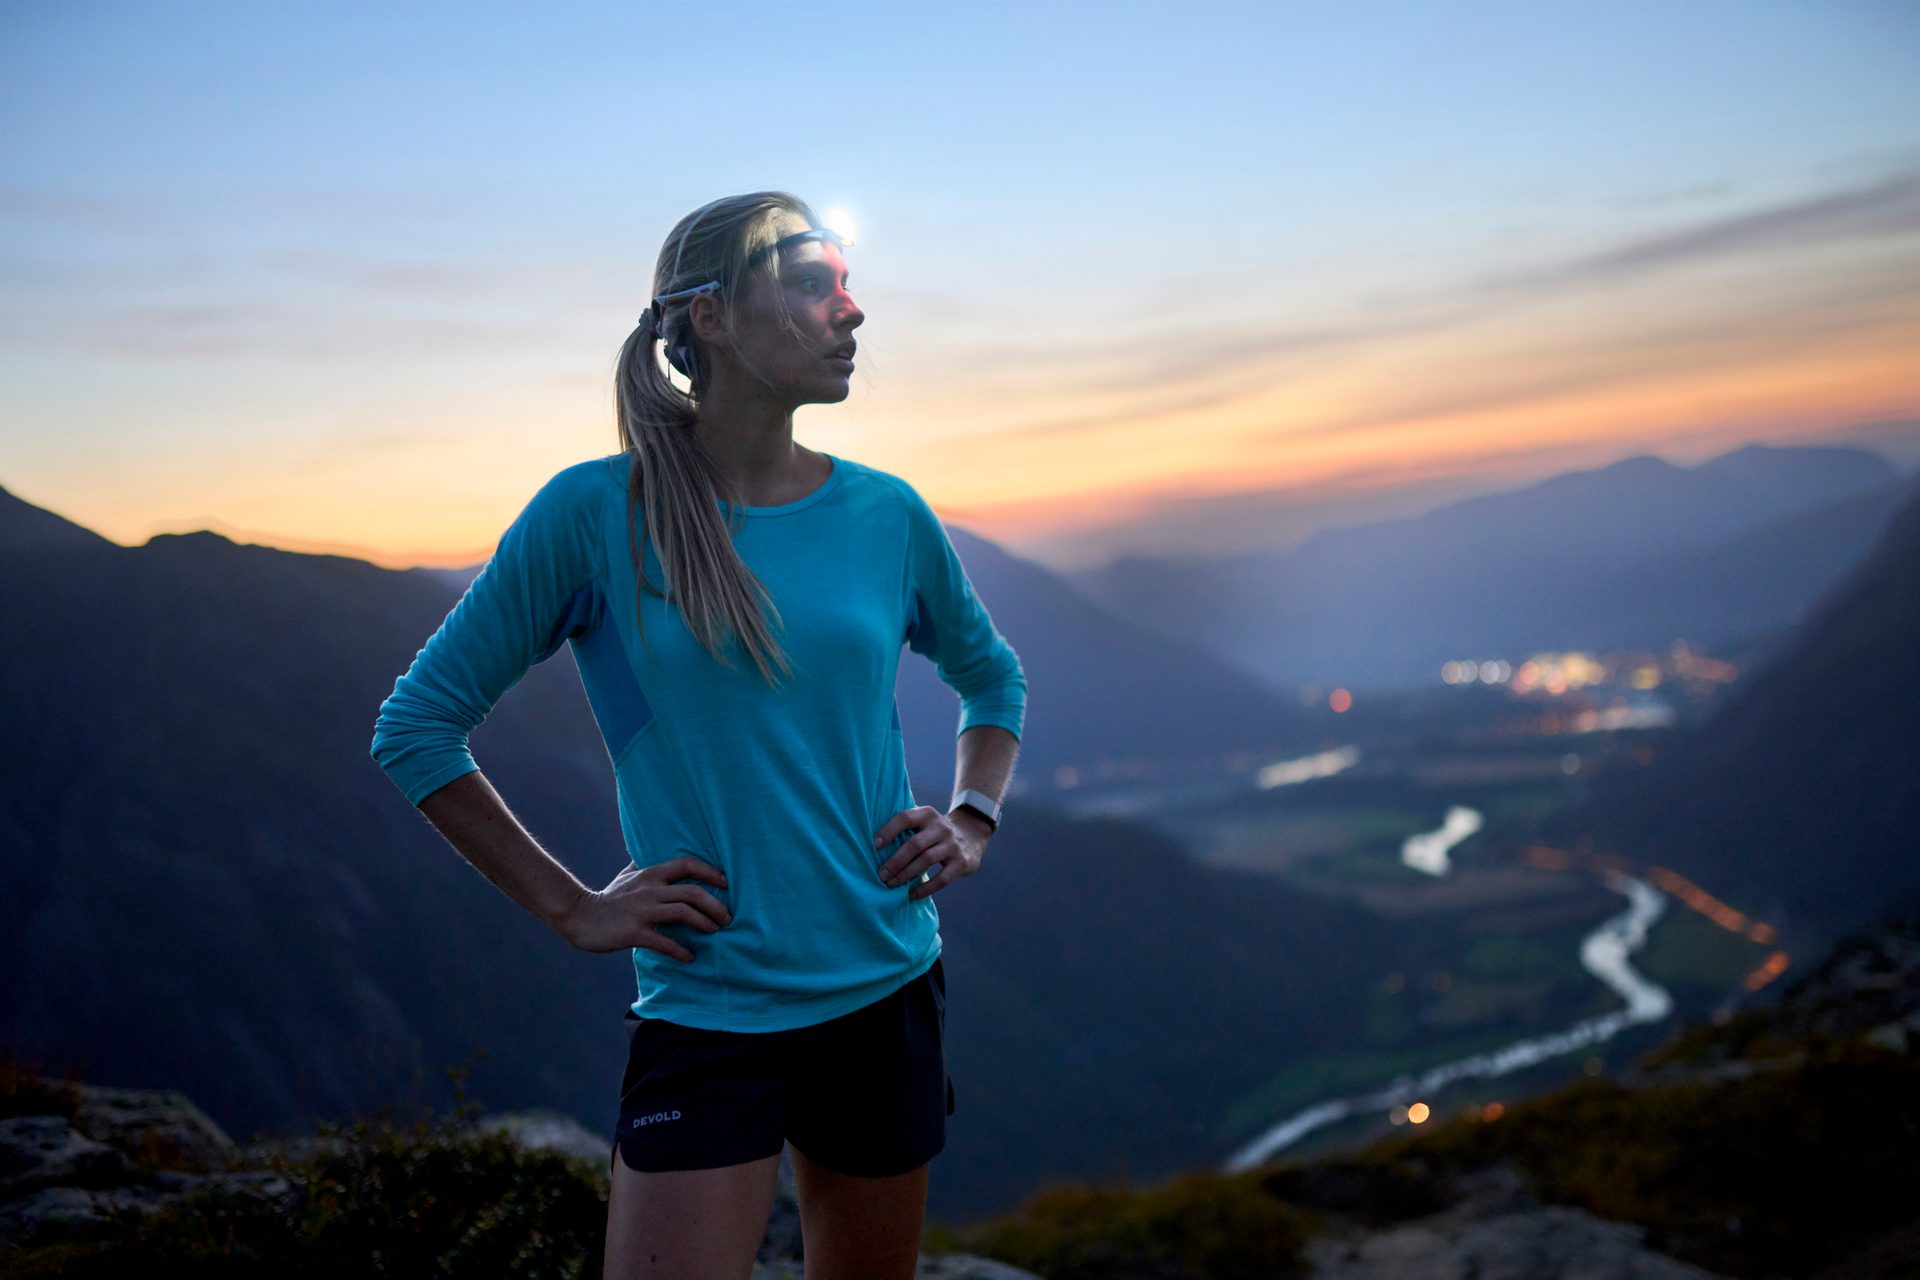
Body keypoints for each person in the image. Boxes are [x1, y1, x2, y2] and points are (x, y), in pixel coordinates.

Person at [368, 191, 1027, 1280]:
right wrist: (572, 906)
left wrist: (973, 817)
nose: (852, 312)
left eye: (847, 285)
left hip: (887, 984)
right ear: (712, 317)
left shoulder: (887, 513)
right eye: (812, 285)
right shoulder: (593, 514)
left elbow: (990, 676)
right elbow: (418, 728)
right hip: (711, 1005)